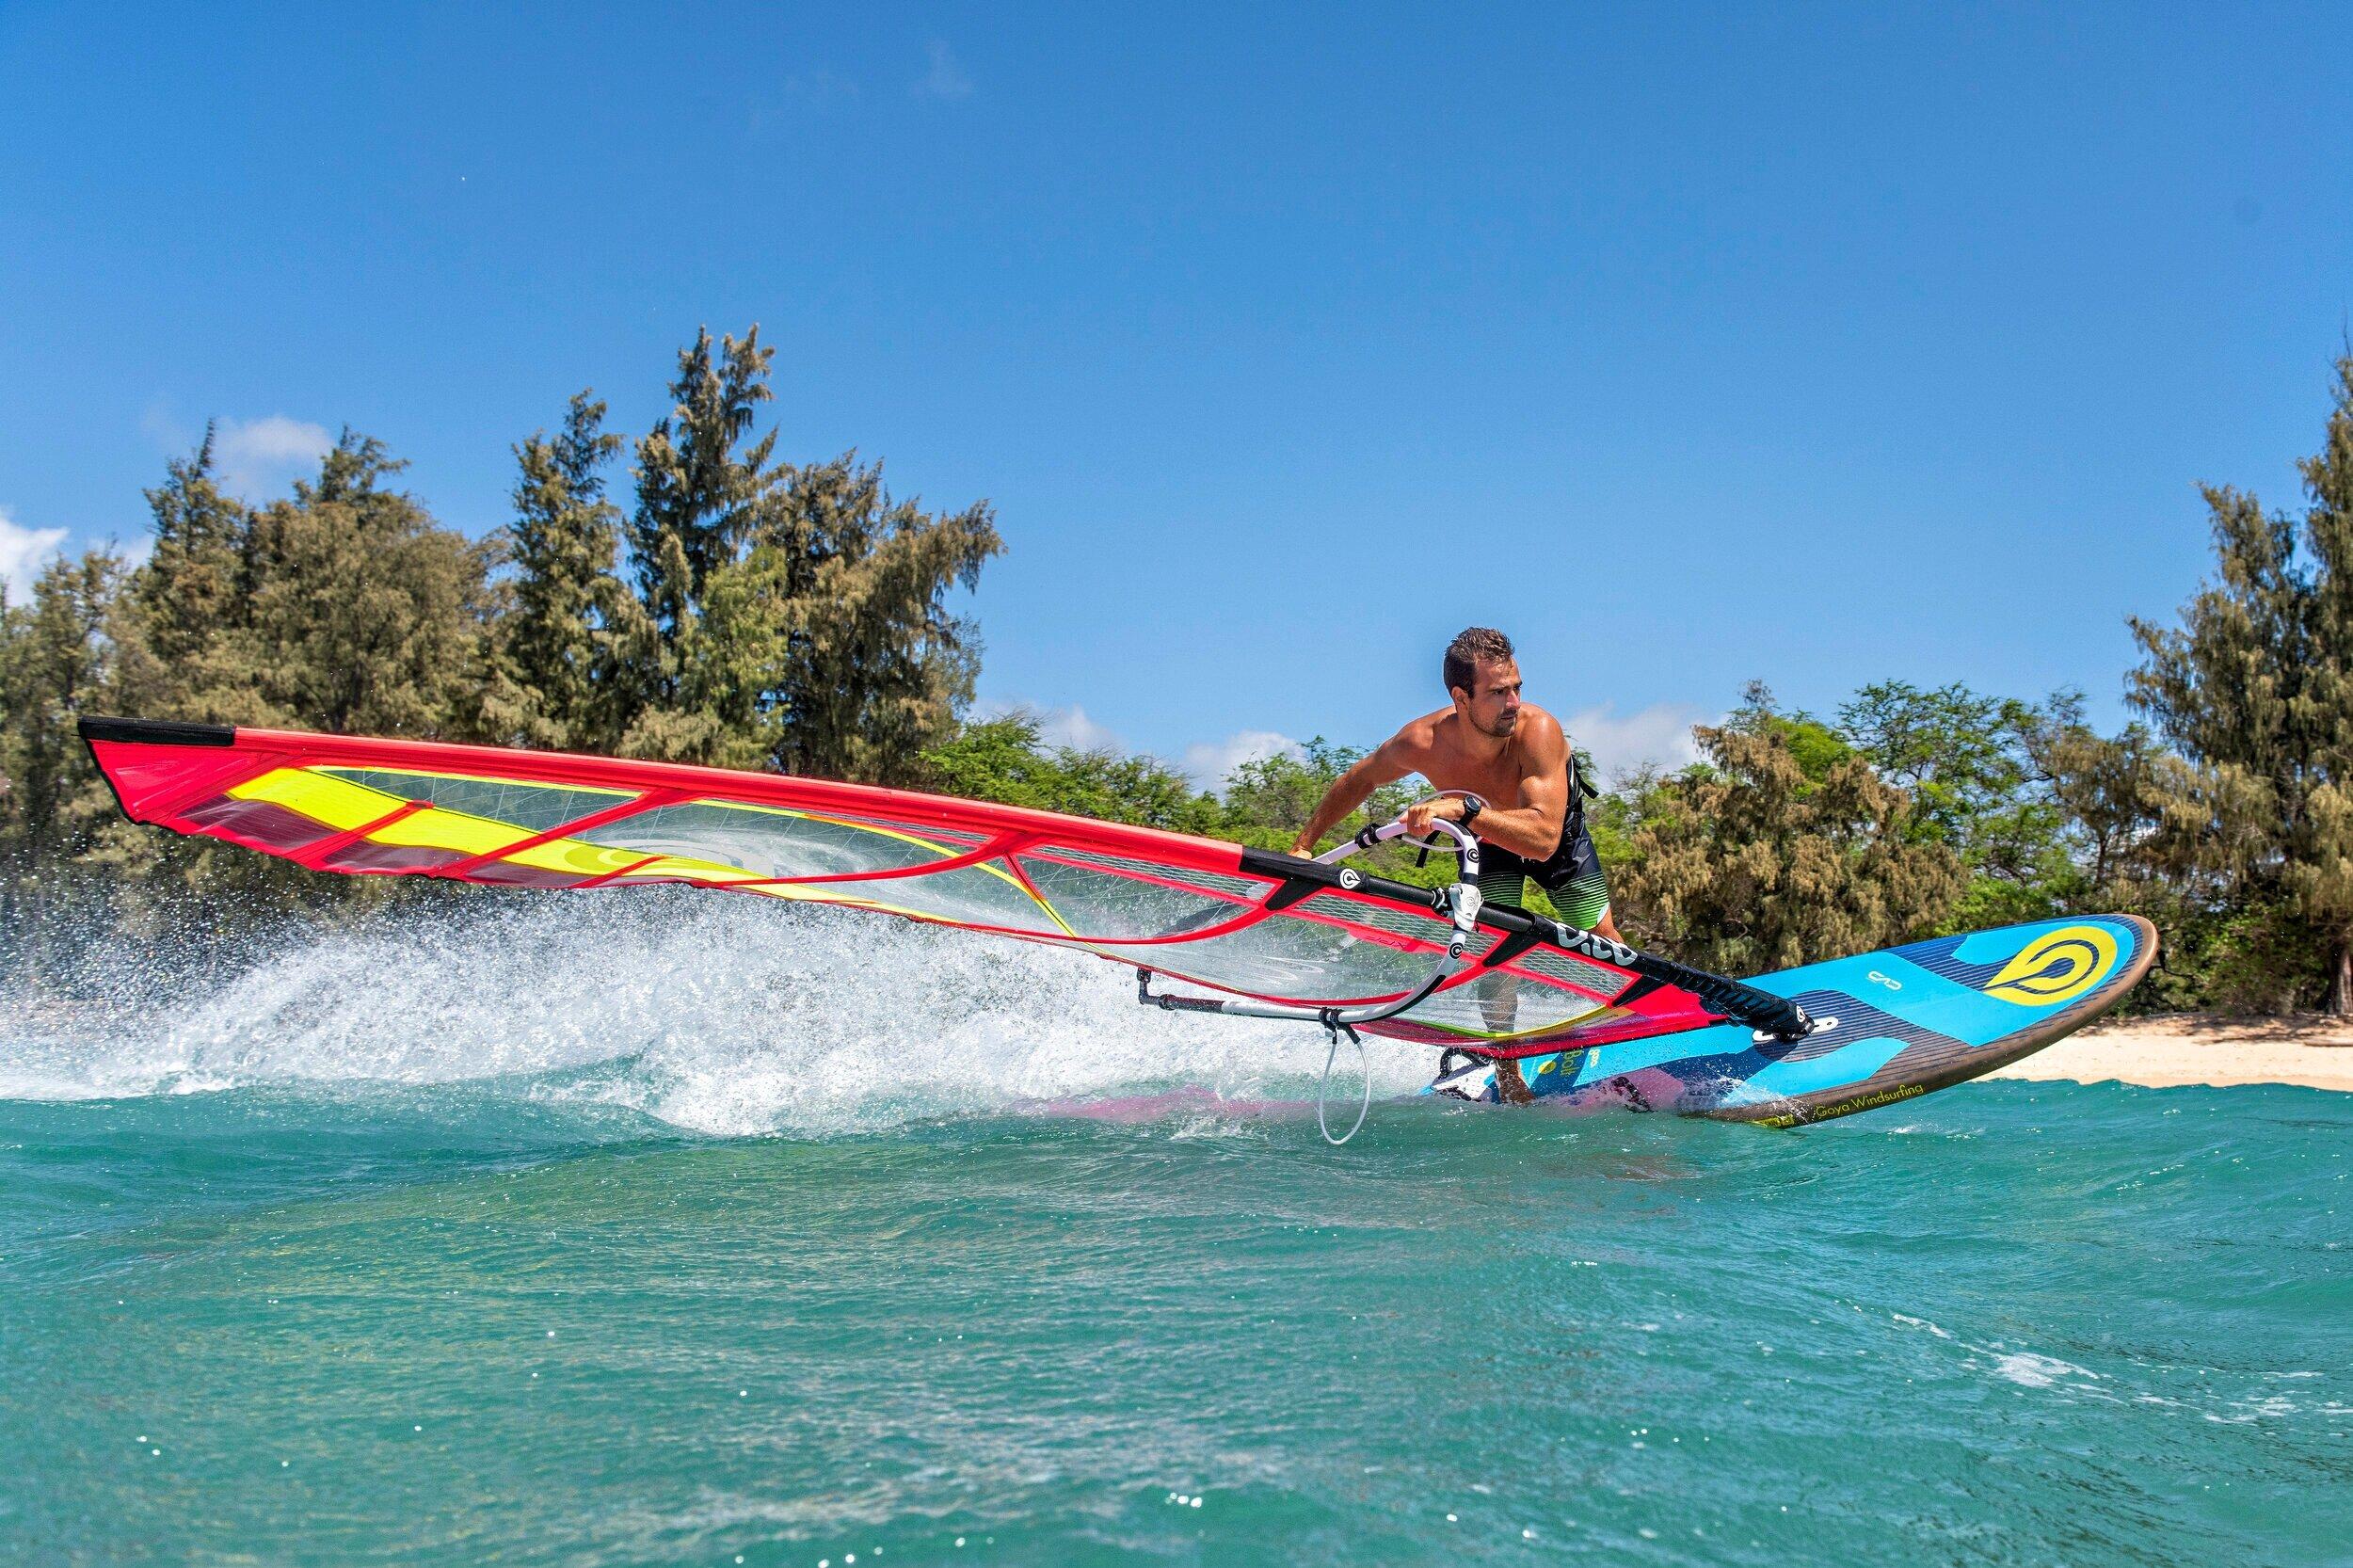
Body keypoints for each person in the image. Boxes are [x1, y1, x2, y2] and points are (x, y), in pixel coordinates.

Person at [1288, 626, 1621, 943]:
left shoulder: (1539, 731)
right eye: (1498, 693)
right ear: (1461, 698)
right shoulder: (1422, 741)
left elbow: (1544, 841)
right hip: (1487, 842)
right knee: (1490, 940)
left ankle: (1630, 1004)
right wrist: (1304, 845)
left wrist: (1462, 809)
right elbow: (1360, 779)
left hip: (1552, 832)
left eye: (1517, 688)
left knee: (1600, 936)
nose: (1514, 703)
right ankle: (1497, 1007)